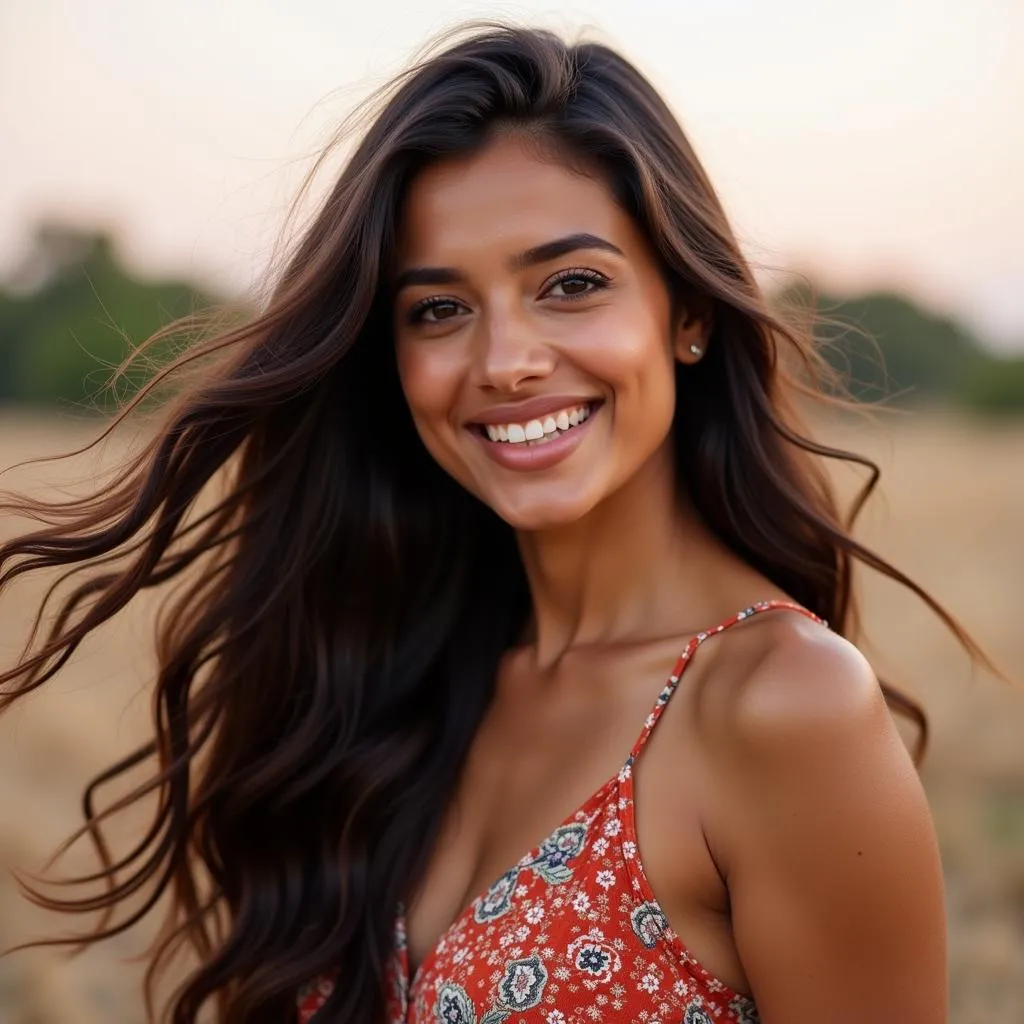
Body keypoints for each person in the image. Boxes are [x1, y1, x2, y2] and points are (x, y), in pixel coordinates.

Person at [0, 23, 988, 1024]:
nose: (505, 359)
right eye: (437, 308)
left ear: (686, 313)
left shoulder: (783, 708)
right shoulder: (404, 673)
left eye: (569, 285)